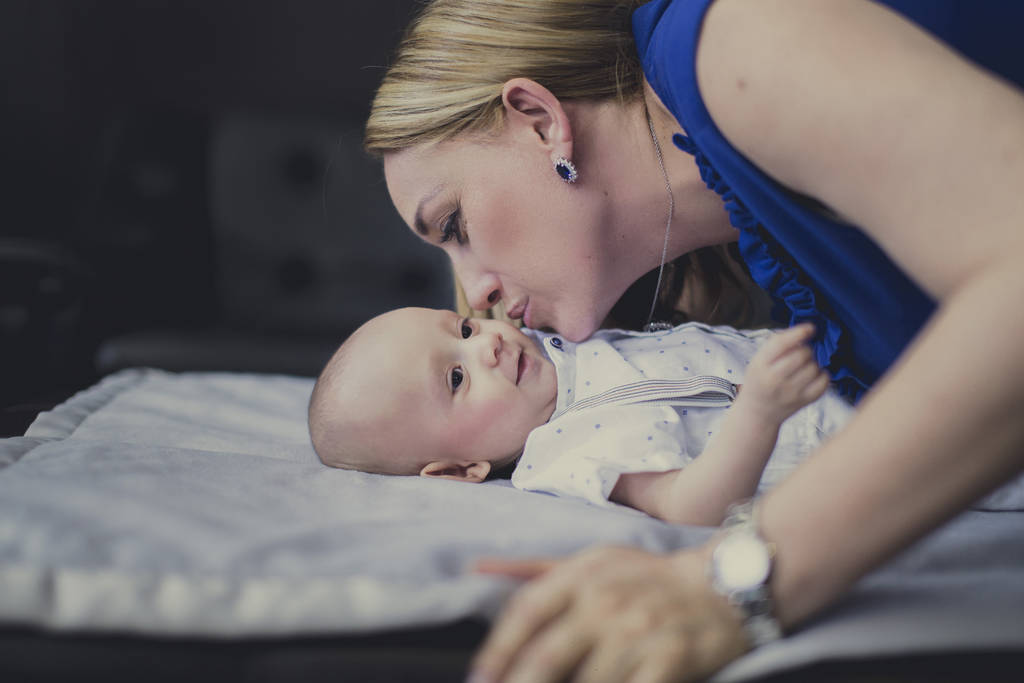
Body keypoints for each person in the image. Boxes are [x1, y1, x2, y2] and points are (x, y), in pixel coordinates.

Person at [364, 0, 1024, 680]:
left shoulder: (738, 39)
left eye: (455, 226)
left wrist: (735, 577)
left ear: (540, 120)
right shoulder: (773, 250)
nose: (476, 295)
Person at [308, 307, 849, 526]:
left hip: (842, 363)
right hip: (843, 451)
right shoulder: (563, 454)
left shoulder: (559, 337)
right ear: (458, 469)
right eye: (456, 378)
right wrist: (758, 413)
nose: (487, 347)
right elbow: (691, 505)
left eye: (465, 330)